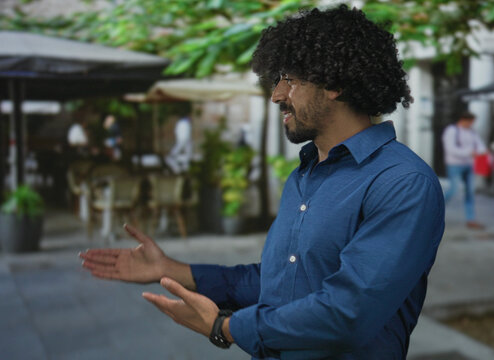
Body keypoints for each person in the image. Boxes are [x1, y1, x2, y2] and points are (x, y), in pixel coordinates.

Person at [79, 5, 445, 359]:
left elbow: (346, 313)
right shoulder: (304, 174)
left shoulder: (403, 182)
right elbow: (280, 281)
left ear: (334, 84)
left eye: (290, 80)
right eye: (277, 80)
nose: (277, 95)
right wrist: (173, 270)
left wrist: (225, 327)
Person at [442, 111, 487, 230]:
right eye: (470, 122)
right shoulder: (452, 131)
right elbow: (450, 149)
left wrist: (482, 152)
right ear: (463, 120)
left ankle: (471, 219)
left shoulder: (472, 132)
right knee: (453, 190)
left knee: (470, 192)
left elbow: (480, 145)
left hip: (469, 165)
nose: (471, 124)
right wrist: (468, 153)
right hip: (455, 164)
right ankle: (433, 208)